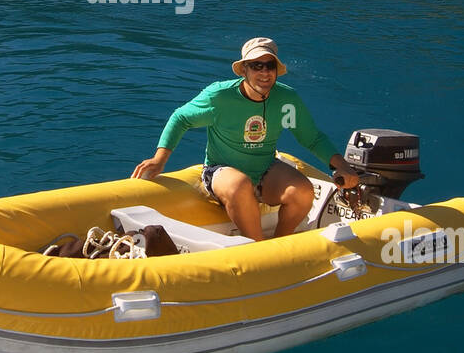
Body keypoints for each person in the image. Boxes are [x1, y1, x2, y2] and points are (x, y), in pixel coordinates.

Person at [131, 37, 359, 240]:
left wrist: (342, 166)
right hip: (220, 171)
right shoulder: (219, 96)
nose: (264, 72)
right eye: (256, 66)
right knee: (240, 185)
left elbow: (312, 138)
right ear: (244, 70)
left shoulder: (286, 98)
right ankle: (257, 249)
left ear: (277, 70)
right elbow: (181, 118)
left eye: (270, 66)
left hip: (265, 167)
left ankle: (279, 245)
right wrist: (160, 159)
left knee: (303, 192)